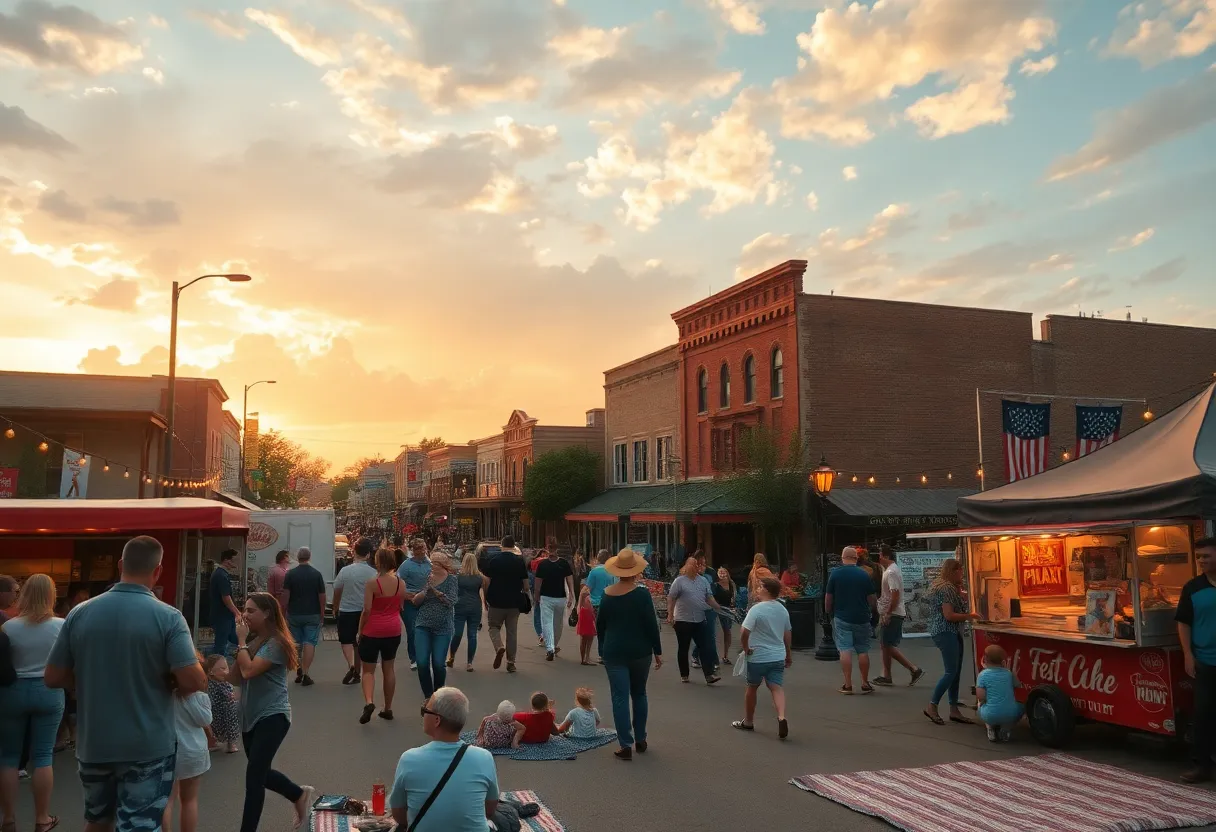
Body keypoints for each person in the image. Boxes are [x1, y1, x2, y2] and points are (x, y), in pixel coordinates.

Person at [45, 536, 207, 832]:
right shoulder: (168, 617)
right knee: (140, 826)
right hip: (148, 745)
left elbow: (53, 676)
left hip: (95, 743)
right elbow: (193, 679)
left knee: (97, 821)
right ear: (157, 571)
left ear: (120, 565)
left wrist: (87, 680)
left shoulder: (80, 613)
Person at [229, 592, 313, 832]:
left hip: (273, 716)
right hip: (249, 717)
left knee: (254, 778)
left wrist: (242, 641)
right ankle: (298, 795)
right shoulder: (253, 642)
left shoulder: (276, 643)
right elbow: (236, 676)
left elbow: (248, 672)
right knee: (261, 773)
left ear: (267, 613)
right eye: (244, 609)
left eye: (251, 610)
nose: (245, 615)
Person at [0, 574, 65, 832]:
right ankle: (41, 818)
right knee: (42, 756)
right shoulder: (61, 625)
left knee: (8, 757)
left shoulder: (9, 627)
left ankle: (7, 819)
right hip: (48, 690)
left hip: (13, 692)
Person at [388, 687, 500, 832]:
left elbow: (398, 813)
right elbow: (490, 808)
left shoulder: (409, 759)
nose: (423, 715)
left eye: (425, 711)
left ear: (436, 720)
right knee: (504, 815)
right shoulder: (484, 757)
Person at [596, 548, 663, 761]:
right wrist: (657, 651)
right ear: (635, 572)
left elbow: (601, 625)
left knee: (619, 697)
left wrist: (601, 648)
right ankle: (641, 738)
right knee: (639, 693)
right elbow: (651, 624)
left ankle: (625, 744)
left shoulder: (607, 594)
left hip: (614, 651)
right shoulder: (642, 594)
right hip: (640, 651)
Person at [732, 576, 792, 739]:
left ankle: (749, 721)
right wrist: (788, 654)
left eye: (759, 587)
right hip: (777, 655)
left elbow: (744, 632)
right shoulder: (782, 609)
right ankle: (781, 716)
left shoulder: (756, 609)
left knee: (752, 687)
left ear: (766, 590)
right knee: (776, 687)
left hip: (758, 656)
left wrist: (746, 647)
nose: (757, 590)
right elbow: (787, 634)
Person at [1177, 536, 1216, 782]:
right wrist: (1188, 654)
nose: (1202, 561)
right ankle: (1201, 767)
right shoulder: (1192, 587)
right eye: (1199, 557)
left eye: (1207, 556)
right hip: (1205, 661)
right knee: (1203, 714)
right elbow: (1183, 622)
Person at [923, 557, 980, 727]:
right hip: (946, 630)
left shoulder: (939, 584)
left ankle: (954, 709)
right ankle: (932, 705)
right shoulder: (947, 588)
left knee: (955, 671)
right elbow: (949, 615)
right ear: (954, 571)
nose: (962, 574)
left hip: (945, 631)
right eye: (961, 571)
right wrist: (970, 616)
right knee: (951, 671)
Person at [164, 650, 212, 832]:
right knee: (189, 800)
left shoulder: (165, 694)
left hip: (167, 750)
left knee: (167, 801)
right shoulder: (199, 697)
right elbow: (205, 721)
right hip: (193, 752)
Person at [358, 547, 406, 724]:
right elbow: (400, 607)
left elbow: (367, 610)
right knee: (389, 669)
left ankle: (369, 702)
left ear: (378, 562)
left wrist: (360, 630)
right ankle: (388, 707)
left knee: (368, 670)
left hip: (372, 630)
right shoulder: (401, 583)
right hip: (393, 629)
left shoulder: (372, 583)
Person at [824, 546, 877, 694]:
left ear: (842, 558)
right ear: (856, 558)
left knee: (845, 649)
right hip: (862, 617)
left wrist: (828, 611)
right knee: (863, 650)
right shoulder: (864, 575)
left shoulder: (835, 574)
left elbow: (829, 598)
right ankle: (865, 683)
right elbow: (872, 598)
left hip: (842, 617)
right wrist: (874, 611)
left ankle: (847, 684)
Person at [667, 557, 724, 685]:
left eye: (696, 565)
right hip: (682, 620)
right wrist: (670, 614)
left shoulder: (703, 581)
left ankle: (709, 675)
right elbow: (671, 598)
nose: (694, 567)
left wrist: (718, 607)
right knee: (684, 647)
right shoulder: (679, 581)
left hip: (699, 619)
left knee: (704, 647)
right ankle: (684, 674)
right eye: (691, 564)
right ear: (686, 566)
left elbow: (709, 597)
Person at [872, 545, 923, 687]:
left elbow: (895, 594)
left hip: (893, 613)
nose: (879, 558)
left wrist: (888, 613)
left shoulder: (891, 572)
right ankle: (887, 675)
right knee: (885, 644)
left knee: (887, 645)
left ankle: (912, 668)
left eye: (881, 555)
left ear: (887, 556)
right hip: (893, 612)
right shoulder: (890, 571)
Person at [333, 538, 377, 686]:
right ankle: (358, 670)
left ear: (354, 552)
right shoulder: (373, 573)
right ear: (369, 554)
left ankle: (352, 664)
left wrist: (335, 607)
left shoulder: (345, 571)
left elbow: (337, 590)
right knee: (359, 642)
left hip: (347, 610)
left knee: (346, 641)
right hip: (366, 611)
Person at [414, 552, 458, 702]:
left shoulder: (451, 580)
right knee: (422, 662)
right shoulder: (427, 578)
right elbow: (416, 601)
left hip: (443, 627)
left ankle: (438, 695)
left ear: (442, 565)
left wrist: (437, 592)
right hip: (423, 623)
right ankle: (428, 697)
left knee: (439, 664)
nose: (431, 566)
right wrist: (426, 590)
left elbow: (451, 601)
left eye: (434, 563)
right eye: (430, 563)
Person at [481, 535, 527, 673]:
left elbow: (486, 582)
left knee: (493, 627)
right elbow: (526, 585)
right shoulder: (519, 561)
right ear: (514, 546)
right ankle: (511, 662)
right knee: (512, 632)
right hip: (514, 602)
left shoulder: (493, 560)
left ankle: (499, 646)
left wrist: (485, 599)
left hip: (496, 601)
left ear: (501, 545)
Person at [281, 547, 327, 687]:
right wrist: (322, 612)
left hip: (294, 614)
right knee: (309, 642)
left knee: (296, 643)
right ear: (309, 557)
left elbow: (285, 596)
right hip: (312, 613)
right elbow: (322, 596)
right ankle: (306, 673)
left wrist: (283, 612)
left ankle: (298, 668)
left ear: (297, 558)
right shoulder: (316, 574)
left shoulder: (290, 574)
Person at [534, 537, 575, 661]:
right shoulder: (562, 563)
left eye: (552, 547)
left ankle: (551, 647)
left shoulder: (544, 565)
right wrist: (572, 595)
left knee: (550, 624)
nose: (551, 550)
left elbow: (538, 584)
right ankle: (552, 647)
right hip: (556, 598)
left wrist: (536, 598)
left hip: (550, 598)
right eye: (550, 547)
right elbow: (569, 580)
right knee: (555, 625)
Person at [397, 539, 433, 671]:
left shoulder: (429, 563)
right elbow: (398, 583)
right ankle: (414, 658)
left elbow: (434, 580)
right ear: (413, 550)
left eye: (423, 548)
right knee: (413, 631)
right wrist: (405, 594)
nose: (422, 551)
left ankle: (425, 657)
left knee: (426, 630)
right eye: (418, 549)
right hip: (410, 602)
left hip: (425, 600)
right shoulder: (406, 566)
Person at [976, 644, 1022, 743]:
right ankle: (1006, 729)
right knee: (1020, 707)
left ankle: (990, 728)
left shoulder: (982, 675)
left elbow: (980, 697)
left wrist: (984, 702)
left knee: (979, 704)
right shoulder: (1008, 674)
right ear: (1003, 661)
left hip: (990, 715)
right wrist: (1008, 670)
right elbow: (1018, 685)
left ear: (985, 660)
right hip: (1010, 714)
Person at [447, 553, 484, 672]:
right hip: (475, 607)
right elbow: (483, 592)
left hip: (460, 606)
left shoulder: (458, 577)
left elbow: (452, 591)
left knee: (457, 633)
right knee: (472, 635)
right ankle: (469, 663)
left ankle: (451, 656)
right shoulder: (480, 577)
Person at [582, 550, 617, 662]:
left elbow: (588, 588)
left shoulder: (594, 572)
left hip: (595, 604)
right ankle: (607, 653)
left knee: (597, 630)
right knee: (607, 630)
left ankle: (600, 654)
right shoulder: (612, 572)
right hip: (609, 603)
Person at [208, 549, 242, 657]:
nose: (238, 562)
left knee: (236, 639)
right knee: (221, 645)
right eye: (235, 560)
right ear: (227, 561)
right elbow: (226, 597)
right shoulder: (221, 575)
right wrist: (237, 612)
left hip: (226, 615)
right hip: (222, 616)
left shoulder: (221, 574)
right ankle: (215, 666)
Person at [205, 655, 239, 753]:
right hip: (217, 715)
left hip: (219, 715)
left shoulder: (224, 682)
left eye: (227, 668)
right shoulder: (212, 684)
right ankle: (222, 742)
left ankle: (229, 743)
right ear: (211, 671)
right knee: (232, 708)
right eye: (222, 668)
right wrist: (233, 697)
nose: (226, 671)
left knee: (232, 707)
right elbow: (227, 695)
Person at [712, 567, 738, 663]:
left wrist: (734, 606)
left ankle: (725, 656)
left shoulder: (732, 584)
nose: (722, 575)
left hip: (729, 611)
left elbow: (735, 596)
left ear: (727, 573)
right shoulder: (715, 585)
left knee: (728, 632)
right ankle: (715, 657)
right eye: (720, 573)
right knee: (716, 634)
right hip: (717, 610)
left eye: (724, 572)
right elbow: (712, 598)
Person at [576, 586, 597, 665]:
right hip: (585, 616)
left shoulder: (585, 591)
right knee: (586, 638)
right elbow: (580, 604)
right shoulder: (585, 592)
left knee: (586, 638)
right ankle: (585, 658)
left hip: (586, 616)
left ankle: (585, 658)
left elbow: (580, 605)